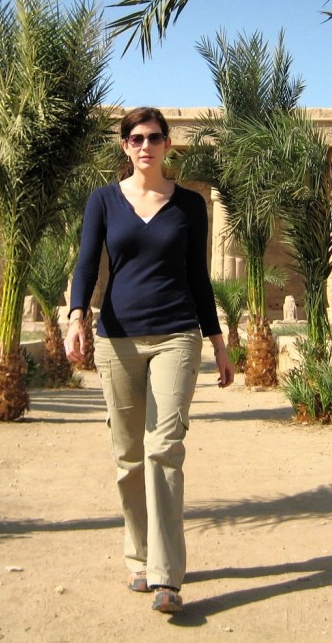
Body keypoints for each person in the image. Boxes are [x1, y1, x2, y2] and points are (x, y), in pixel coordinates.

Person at [64, 106, 234, 614]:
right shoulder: (103, 200)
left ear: (167, 145)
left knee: (164, 447)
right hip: (117, 339)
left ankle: (166, 576)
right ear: (125, 145)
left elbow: (198, 277)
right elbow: (87, 262)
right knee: (128, 455)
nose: (145, 146)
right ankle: (138, 558)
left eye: (155, 137)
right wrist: (76, 316)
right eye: (136, 138)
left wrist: (218, 343)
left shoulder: (190, 205)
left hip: (176, 336)